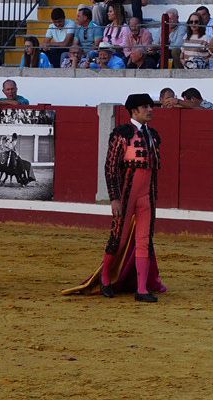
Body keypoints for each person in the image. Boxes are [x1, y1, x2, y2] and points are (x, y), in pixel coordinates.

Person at [66, 93, 169, 303]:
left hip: (148, 196)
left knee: (144, 240)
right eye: (145, 107)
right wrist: (114, 198)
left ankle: (141, 288)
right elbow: (111, 167)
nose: (150, 109)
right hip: (126, 195)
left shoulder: (154, 135)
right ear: (134, 111)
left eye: (151, 106)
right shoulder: (121, 133)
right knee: (119, 239)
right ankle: (105, 278)